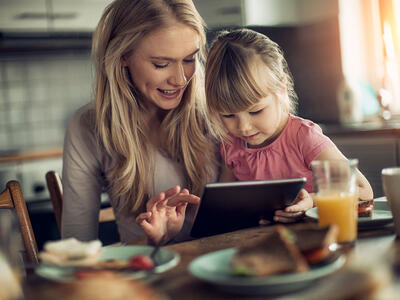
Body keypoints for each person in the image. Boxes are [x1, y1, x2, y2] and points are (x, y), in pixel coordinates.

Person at [61, 0, 218, 246]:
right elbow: (76, 246)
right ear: (123, 57)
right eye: (161, 64)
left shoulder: (218, 111)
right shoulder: (88, 127)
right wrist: (151, 242)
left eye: (189, 59)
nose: (180, 79)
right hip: (147, 274)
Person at [204, 28, 373, 222]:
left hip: (312, 239)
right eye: (228, 115)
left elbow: (364, 192)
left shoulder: (304, 138)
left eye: (255, 111)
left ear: (282, 89)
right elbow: (225, 204)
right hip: (263, 243)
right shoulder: (230, 144)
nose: (243, 127)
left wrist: (311, 201)